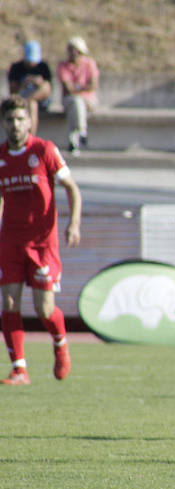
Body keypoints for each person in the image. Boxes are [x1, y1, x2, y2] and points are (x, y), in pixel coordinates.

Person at [0, 95, 82, 385]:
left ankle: (60, 342)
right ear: (4, 123)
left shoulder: (44, 150)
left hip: (42, 242)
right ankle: (19, 369)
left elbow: (71, 188)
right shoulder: (1, 157)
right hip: (10, 241)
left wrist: (73, 223)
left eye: (20, 119)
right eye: (10, 119)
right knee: (8, 303)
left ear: (29, 121)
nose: (15, 124)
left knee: (44, 308)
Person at [56, 36, 99, 155]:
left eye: (78, 52)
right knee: (76, 103)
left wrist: (77, 88)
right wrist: (83, 89)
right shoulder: (63, 66)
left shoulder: (89, 63)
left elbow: (93, 85)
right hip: (71, 100)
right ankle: (82, 131)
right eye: (71, 50)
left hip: (89, 101)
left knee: (76, 105)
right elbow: (68, 88)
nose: (74, 54)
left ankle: (73, 142)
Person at [7, 41, 53, 135]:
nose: (32, 63)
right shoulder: (16, 67)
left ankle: (31, 138)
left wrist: (39, 83)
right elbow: (13, 93)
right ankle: (31, 137)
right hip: (22, 98)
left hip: (40, 100)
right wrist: (23, 84)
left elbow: (48, 89)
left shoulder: (43, 67)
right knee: (32, 104)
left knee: (42, 89)